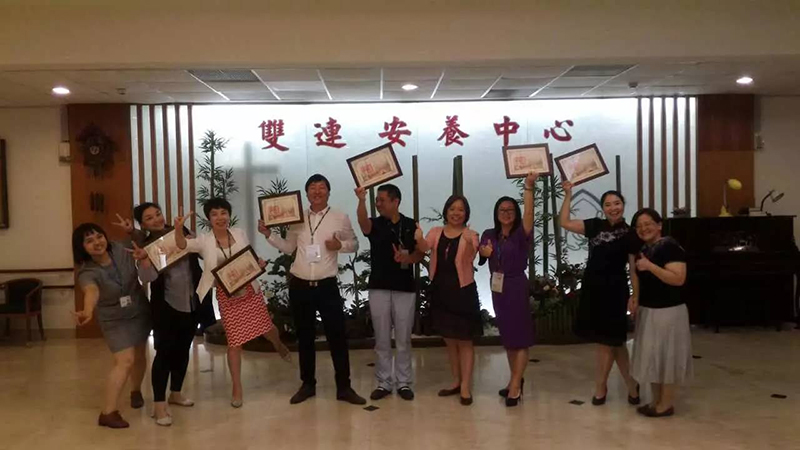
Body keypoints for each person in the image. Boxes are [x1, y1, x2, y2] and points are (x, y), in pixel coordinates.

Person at [260, 174, 366, 405]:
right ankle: (307, 384)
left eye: (322, 187)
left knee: (337, 337)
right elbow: (289, 247)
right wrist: (269, 235)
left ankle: (344, 387)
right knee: (305, 337)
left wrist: (340, 245)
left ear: (328, 191)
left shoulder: (340, 217)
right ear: (306, 193)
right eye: (312, 188)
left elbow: (355, 243)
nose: (317, 191)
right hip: (300, 285)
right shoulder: (297, 218)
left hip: (326, 286)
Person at [174, 198, 290, 408]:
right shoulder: (204, 240)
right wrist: (178, 229)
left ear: (229, 215)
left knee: (266, 328)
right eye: (214, 214)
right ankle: (237, 387)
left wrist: (258, 263)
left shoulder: (239, 233)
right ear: (209, 219)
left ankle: (278, 344)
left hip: (249, 291)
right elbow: (182, 245)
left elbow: (249, 257)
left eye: (223, 213)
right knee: (235, 342)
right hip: (227, 296)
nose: (220, 217)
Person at [114, 203, 209, 426]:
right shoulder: (146, 245)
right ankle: (159, 404)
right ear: (143, 224)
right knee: (164, 354)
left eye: (157, 214)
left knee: (183, 350)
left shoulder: (181, 231)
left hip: (191, 302)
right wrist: (144, 260)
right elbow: (147, 278)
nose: (156, 219)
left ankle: (175, 393)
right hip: (166, 305)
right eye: (149, 218)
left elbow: (202, 253)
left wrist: (194, 241)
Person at [559, 181, 640, 405]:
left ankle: (601, 387)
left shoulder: (631, 234)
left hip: (616, 291)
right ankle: (631, 385)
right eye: (608, 204)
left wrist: (635, 296)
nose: (613, 208)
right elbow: (564, 222)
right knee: (615, 342)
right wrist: (568, 194)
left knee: (608, 341)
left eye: (617, 203)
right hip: (594, 289)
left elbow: (633, 269)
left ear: (623, 205)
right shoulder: (595, 226)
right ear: (603, 208)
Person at [72, 223, 155, 429]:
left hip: (138, 309)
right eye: (89, 241)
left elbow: (143, 239)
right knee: (125, 360)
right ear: (82, 247)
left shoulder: (120, 248)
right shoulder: (87, 272)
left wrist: (132, 231)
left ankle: (135, 390)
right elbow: (91, 291)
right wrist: (88, 310)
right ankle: (108, 413)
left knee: (139, 354)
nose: (97, 242)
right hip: (114, 319)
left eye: (99, 236)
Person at [354, 184, 425, 402]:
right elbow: (362, 223)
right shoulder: (375, 224)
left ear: (396, 201)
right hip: (379, 287)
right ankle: (384, 382)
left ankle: (403, 382)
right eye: (377, 200)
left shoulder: (411, 224)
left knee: (403, 338)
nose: (378, 204)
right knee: (382, 338)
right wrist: (361, 200)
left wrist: (408, 258)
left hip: (404, 287)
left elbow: (420, 253)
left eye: (382, 200)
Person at [478, 172, 538, 407]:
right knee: (509, 338)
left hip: (515, 285)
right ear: (496, 213)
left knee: (520, 337)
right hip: (497, 288)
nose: (506, 213)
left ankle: (514, 386)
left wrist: (528, 187)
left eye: (510, 210)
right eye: (502, 210)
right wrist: (483, 252)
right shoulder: (489, 234)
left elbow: (530, 214)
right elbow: (481, 251)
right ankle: (516, 379)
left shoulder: (521, 233)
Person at [416, 195, 481, 406]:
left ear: (466, 213)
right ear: (446, 211)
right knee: (450, 340)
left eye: (460, 209)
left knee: (465, 340)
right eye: (452, 209)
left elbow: (474, 254)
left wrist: (471, 242)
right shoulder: (436, 232)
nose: (456, 213)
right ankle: (455, 381)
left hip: (463, 292)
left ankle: (465, 386)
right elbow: (424, 247)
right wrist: (418, 236)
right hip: (440, 292)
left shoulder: (471, 234)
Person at [629, 208, 692, 418]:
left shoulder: (670, 247)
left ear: (659, 225)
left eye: (648, 224)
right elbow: (637, 277)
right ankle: (656, 401)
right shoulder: (644, 249)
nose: (643, 228)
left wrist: (650, 266)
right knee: (653, 358)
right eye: (639, 226)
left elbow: (678, 279)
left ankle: (665, 405)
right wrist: (635, 297)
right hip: (649, 310)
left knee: (667, 359)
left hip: (669, 312)